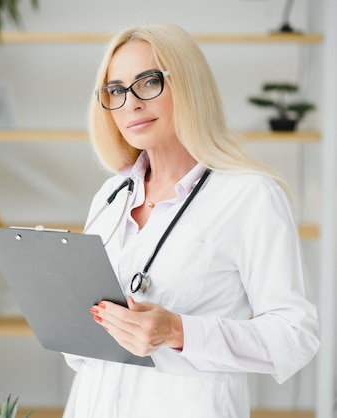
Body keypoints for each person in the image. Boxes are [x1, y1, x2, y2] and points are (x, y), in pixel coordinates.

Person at [62, 23, 320, 418]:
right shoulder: (111, 198)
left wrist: (179, 331)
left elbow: (295, 336)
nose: (130, 103)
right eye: (115, 90)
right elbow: (80, 348)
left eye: (147, 83)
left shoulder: (249, 195)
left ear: (189, 86)